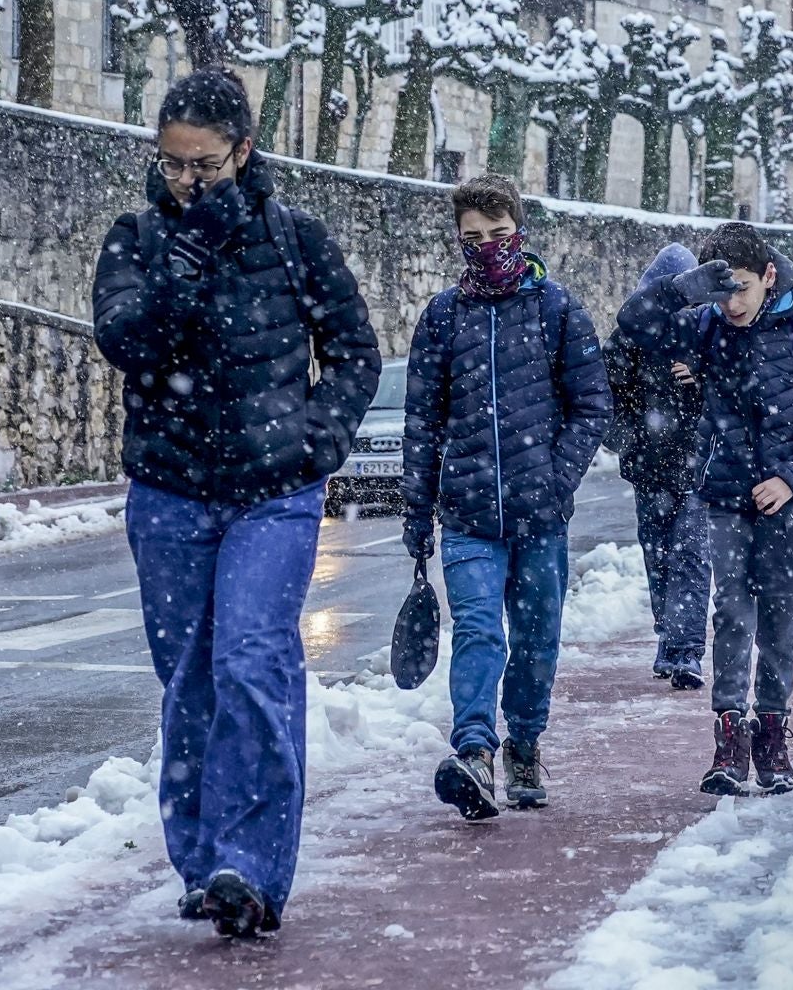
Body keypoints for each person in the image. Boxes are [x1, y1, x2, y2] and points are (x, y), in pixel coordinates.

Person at [92, 68, 381, 938]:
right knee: (188, 680)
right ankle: (200, 858)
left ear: (243, 151)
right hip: (170, 491)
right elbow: (125, 344)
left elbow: (357, 352)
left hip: (272, 493)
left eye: (206, 165)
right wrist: (180, 272)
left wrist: (313, 441)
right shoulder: (136, 239)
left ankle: (248, 868)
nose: (188, 180)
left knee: (253, 663)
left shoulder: (295, 239)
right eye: (174, 163)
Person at [617, 222, 793, 796]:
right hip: (724, 494)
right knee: (730, 614)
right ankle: (729, 737)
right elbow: (633, 326)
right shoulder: (705, 324)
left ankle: (772, 733)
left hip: (791, 501)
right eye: (723, 291)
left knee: (779, 620)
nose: (733, 303)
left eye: (743, 289)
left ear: (769, 276)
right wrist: (684, 290)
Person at [401, 173, 610, 820]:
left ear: (518, 232)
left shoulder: (557, 310)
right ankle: (474, 750)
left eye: (498, 235)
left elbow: (592, 406)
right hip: (465, 512)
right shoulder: (441, 317)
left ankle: (524, 740)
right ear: (458, 241)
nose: (487, 247)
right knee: (478, 630)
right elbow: (421, 422)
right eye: (473, 238)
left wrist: (554, 477)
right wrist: (417, 510)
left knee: (538, 638)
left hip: (539, 516)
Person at [604, 244, 711, 690]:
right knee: (659, 555)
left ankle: (685, 650)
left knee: (689, 553)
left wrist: (702, 377)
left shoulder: (708, 334)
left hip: (698, 469)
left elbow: (736, 391)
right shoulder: (631, 339)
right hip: (650, 468)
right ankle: (669, 640)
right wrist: (628, 439)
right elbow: (605, 393)